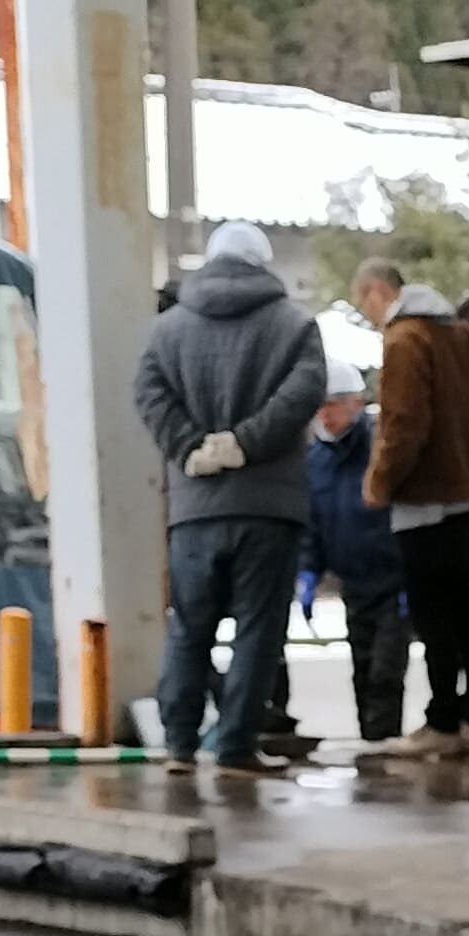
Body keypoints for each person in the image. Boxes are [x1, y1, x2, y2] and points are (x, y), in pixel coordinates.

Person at [130, 219, 327, 775]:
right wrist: (244, 444)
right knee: (257, 631)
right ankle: (236, 746)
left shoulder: (166, 329)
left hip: (195, 508)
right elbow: (304, 391)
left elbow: (147, 391)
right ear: (263, 262)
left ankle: (179, 745)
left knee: (189, 627)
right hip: (269, 509)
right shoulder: (295, 324)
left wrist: (190, 447)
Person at [354, 259, 469, 762]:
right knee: (462, 609)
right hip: (464, 496)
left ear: (378, 292)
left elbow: (403, 423)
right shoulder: (458, 332)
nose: (368, 316)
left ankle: (442, 722)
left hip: (422, 501)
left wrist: (380, 482)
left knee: (432, 615)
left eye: (364, 303)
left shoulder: (405, 339)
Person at [302, 380, 411, 750]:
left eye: (333, 405)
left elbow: (403, 511)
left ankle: (383, 744)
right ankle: (371, 748)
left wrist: (412, 575)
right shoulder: (317, 462)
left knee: (385, 671)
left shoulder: (382, 450)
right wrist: (308, 572)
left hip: (393, 582)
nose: (324, 415)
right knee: (362, 667)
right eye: (319, 407)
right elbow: (313, 525)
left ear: (356, 404)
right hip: (354, 583)